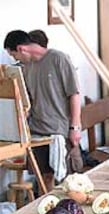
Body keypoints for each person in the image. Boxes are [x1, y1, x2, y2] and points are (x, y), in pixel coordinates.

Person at [3, 30, 82, 192]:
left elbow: (74, 94)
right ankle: (47, 212)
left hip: (60, 130)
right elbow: (28, 99)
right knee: (44, 179)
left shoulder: (59, 59)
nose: (15, 60)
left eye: (14, 55)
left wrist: (75, 127)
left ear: (21, 49)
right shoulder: (26, 68)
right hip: (37, 131)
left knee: (70, 182)